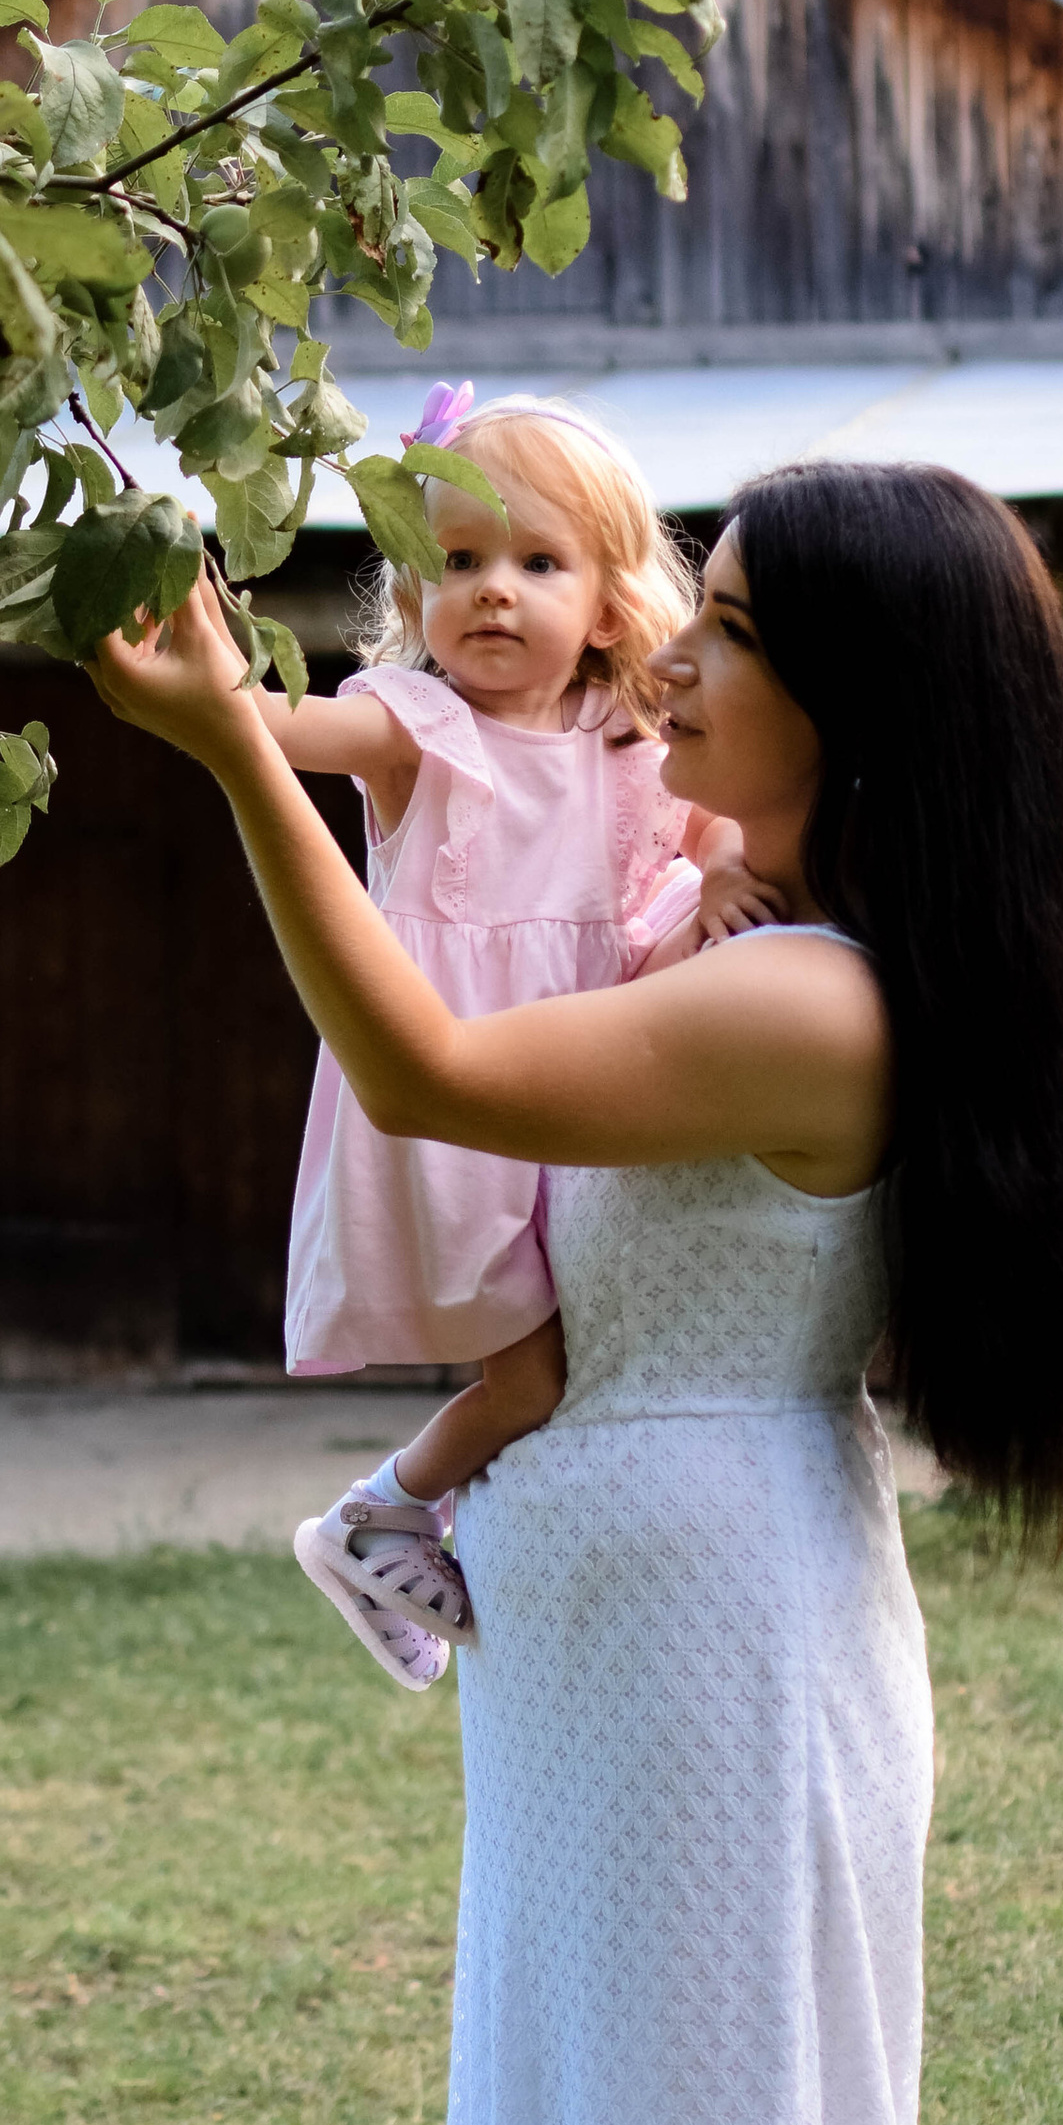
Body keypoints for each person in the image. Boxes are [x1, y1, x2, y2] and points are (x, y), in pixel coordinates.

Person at [96, 460, 1063, 2125]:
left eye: (735, 631)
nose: (666, 651)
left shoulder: (812, 1004)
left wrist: (225, 762)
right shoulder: (739, 928)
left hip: (715, 1677)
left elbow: (432, 1071)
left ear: (857, 711)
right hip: (627, 1679)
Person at [267, 388, 769, 1689]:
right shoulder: (412, 727)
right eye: (460, 561)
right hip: (467, 1096)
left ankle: (462, 1526)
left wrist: (715, 881)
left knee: (596, 1348)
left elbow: (715, 839)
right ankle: (379, 1514)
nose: (494, 592)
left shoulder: (630, 742)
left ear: (607, 603)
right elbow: (277, 730)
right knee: (536, 1370)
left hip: (595, 1078)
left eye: (537, 563)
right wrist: (203, 665)